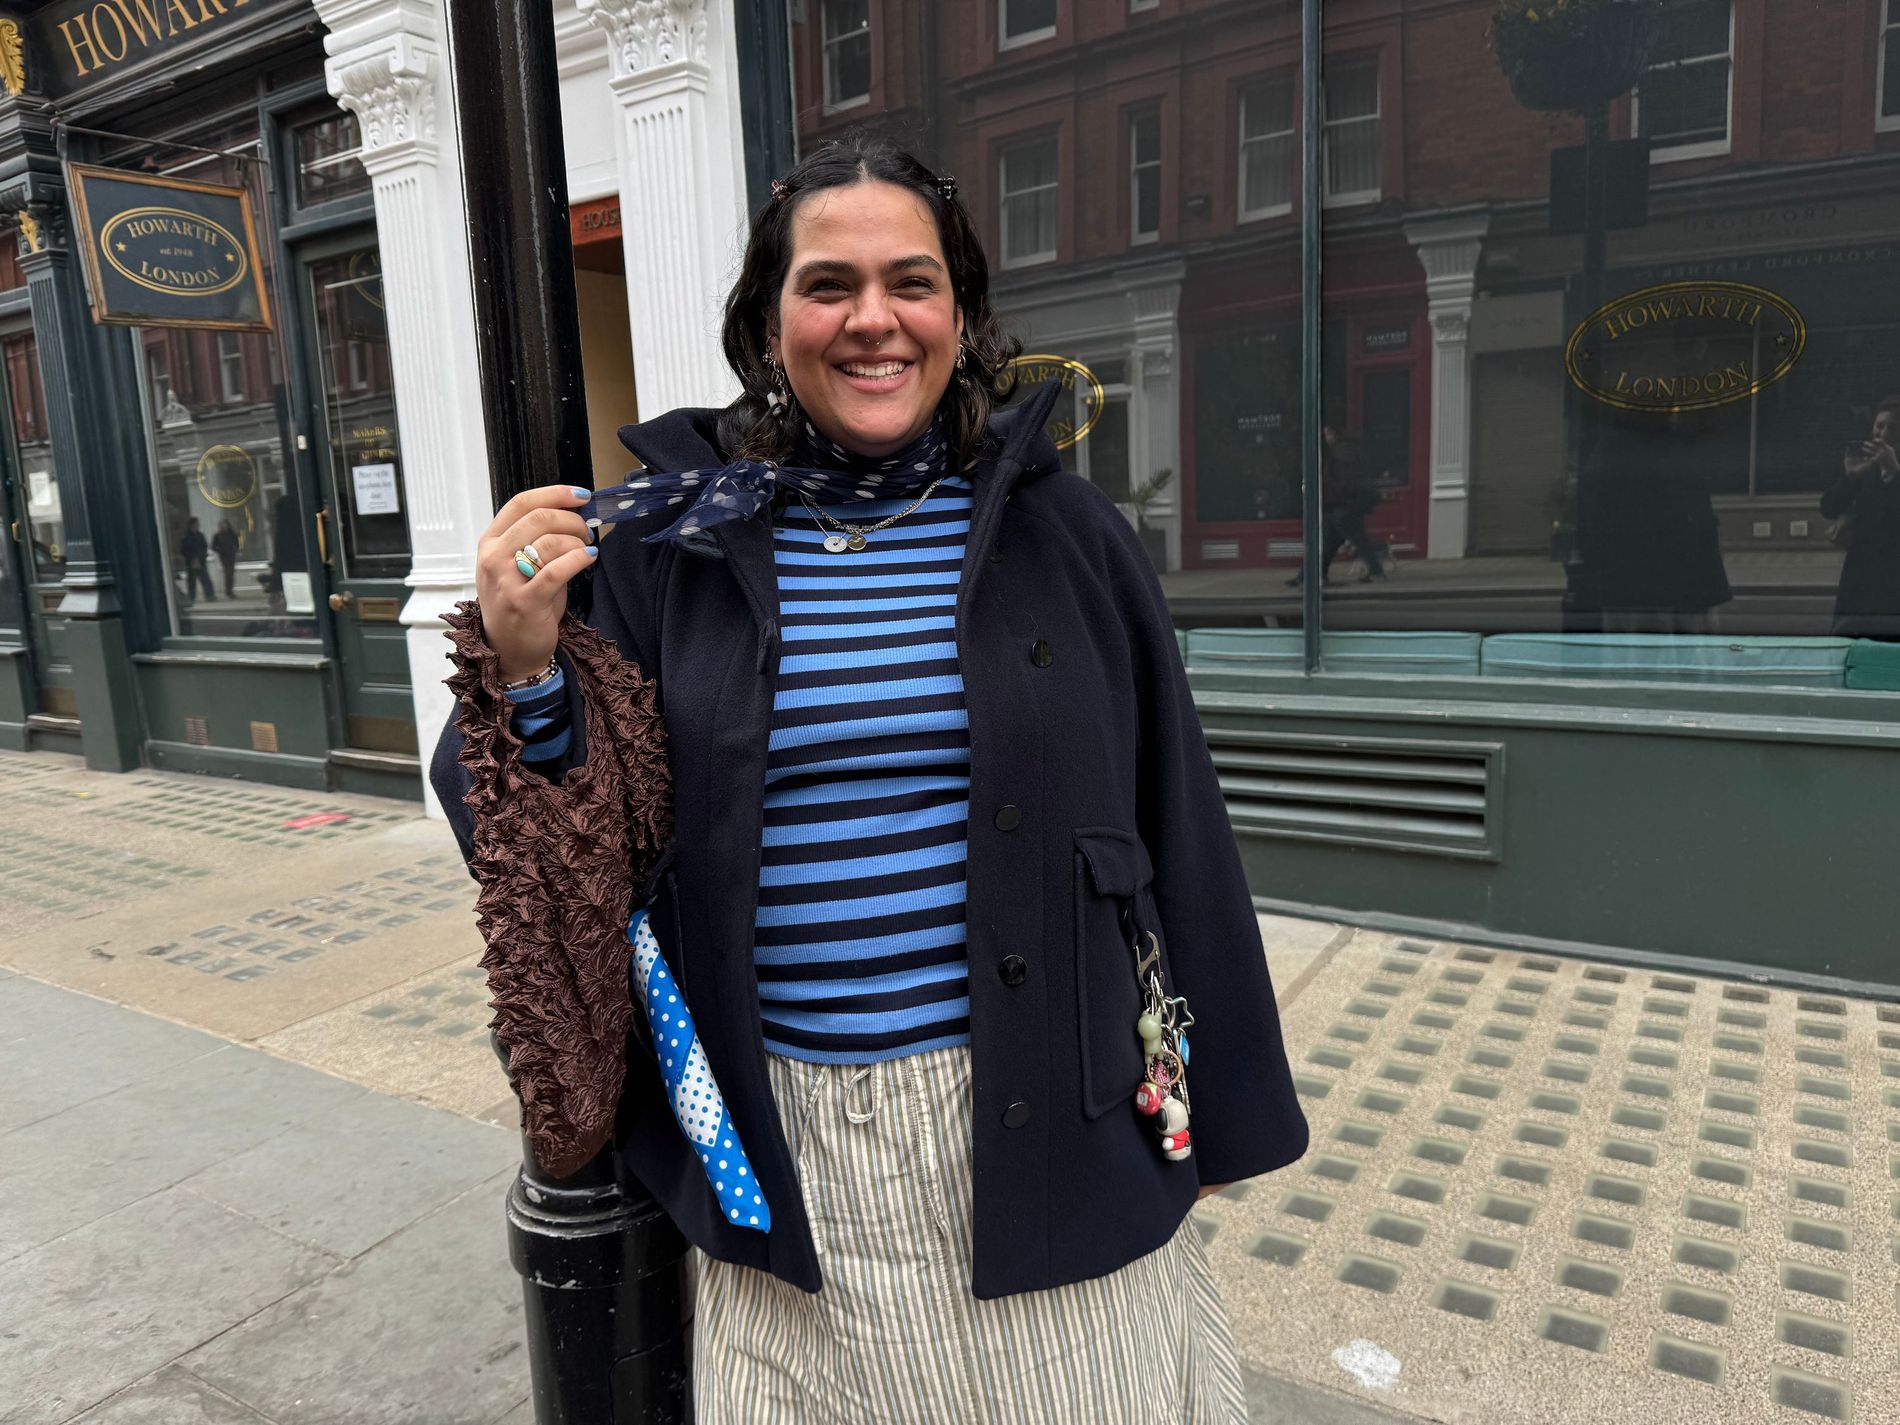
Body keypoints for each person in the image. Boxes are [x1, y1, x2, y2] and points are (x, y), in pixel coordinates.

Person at [430, 133, 1306, 1423]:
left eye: (912, 281)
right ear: (768, 320)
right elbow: (552, 830)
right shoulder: (675, 539)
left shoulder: (1064, 532)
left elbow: (1178, 818)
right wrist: (524, 663)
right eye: (827, 285)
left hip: (1048, 1106)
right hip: (788, 1135)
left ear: (960, 313)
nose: (872, 320)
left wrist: (1224, 1106)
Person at [1821, 396, 1900, 639]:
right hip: (1860, 577)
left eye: (1892, 427)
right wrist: (1850, 477)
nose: (1882, 434)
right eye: (1879, 426)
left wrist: (1894, 473)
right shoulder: (1864, 467)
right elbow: (1828, 507)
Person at [1286, 424, 1385, 587]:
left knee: (1349, 541)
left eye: (1327, 434)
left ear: (1334, 434)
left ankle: (1375, 572)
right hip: (1346, 504)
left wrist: (1333, 496)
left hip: (1344, 505)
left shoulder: (1342, 453)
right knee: (1331, 542)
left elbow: (1345, 482)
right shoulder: (1348, 450)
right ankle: (1310, 575)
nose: (1326, 438)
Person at [179, 517, 215, 602]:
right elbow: (183, 550)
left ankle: (210, 595)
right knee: (191, 581)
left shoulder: (200, 535)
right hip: (190, 562)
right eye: (196, 524)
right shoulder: (186, 536)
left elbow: (204, 547)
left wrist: (201, 557)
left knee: (205, 579)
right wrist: (192, 558)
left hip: (201, 561)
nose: (198, 525)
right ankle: (192, 597)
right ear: (192, 525)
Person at [211, 518, 240, 598]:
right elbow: (213, 546)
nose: (223, 526)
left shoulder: (232, 534)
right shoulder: (217, 536)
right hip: (224, 556)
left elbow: (237, 543)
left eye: (224, 525)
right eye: (221, 525)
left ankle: (230, 590)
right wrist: (220, 550)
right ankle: (228, 591)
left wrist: (235, 549)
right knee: (228, 573)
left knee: (231, 573)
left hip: (232, 555)